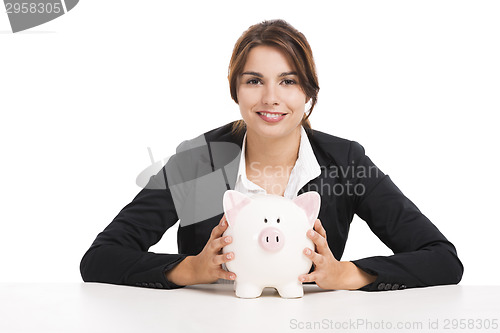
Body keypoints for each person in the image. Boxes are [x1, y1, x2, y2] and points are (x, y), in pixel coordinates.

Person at [80, 19, 463, 292]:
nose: (270, 98)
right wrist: (190, 269)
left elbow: (443, 259)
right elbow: (100, 258)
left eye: (288, 81)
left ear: (308, 93)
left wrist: (348, 274)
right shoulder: (197, 161)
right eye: (253, 81)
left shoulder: (345, 162)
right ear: (236, 91)